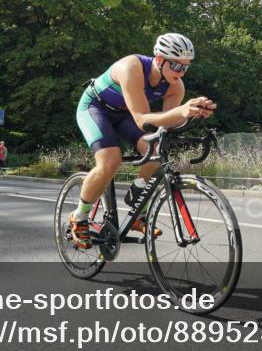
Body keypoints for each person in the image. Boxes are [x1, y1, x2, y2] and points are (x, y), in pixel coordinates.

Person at [68, 33, 216, 249]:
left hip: (125, 114)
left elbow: (166, 125)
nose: (181, 72)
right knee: (110, 161)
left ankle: (137, 203)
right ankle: (79, 215)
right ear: (159, 59)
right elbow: (141, 120)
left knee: (156, 151)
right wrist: (182, 111)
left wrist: (191, 113)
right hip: (96, 108)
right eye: (176, 66)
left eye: (186, 67)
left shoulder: (176, 86)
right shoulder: (132, 67)